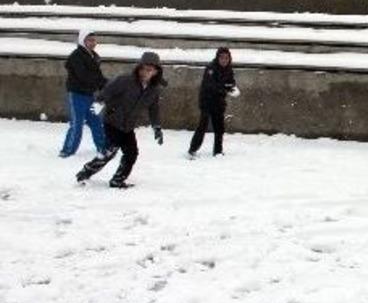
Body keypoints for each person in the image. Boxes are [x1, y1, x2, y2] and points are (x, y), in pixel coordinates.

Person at [75, 51, 166, 189]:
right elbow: (107, 91)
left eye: (150, 70)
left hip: (128, 126)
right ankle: (84, 173)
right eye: (143, 68)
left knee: (131, 153)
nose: (145, 72)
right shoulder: (125, 81)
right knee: (110, 151)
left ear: (156, 71)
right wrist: (98, 103)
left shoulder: (154, 89)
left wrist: (157, 127)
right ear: (139, 67)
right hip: (113, 120)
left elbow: (154, 109)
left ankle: (117, 180)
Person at [59, 29, 107, 158]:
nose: (93, 43)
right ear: (82, 41)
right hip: (77, 95)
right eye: (89, 40)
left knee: (96, 121)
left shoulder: (94, 57)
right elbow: (84, 76)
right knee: (77, 124)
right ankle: (67, 151)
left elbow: (98, 76)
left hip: (90, 95)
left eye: (94, 40)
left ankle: (103, 148)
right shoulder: (76, 56)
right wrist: (98, 83)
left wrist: (107, 86)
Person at [188, 47, 239, 158]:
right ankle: (192, 149)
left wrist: (232, 88)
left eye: (227, 58)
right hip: (207, 101)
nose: (224, 60)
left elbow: (231, 82)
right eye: (222, 58)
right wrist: (225, 88)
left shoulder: (229, 70)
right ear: (217, 58)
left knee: (219, 127)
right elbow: (210, 85)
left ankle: (218, 151)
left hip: (219, 102)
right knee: (202, 126)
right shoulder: (211, 68)